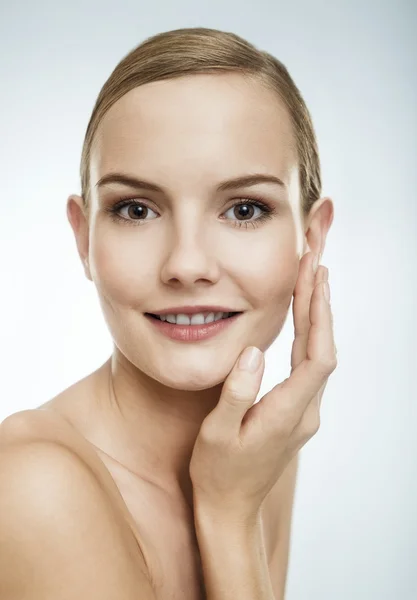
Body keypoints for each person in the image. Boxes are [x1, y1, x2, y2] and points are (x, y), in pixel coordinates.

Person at [0, 27, 336, 600]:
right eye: (136, 209)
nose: (186, 263)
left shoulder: (257, 452)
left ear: (311, 237)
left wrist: (233, 499)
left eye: (245, 208)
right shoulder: (31, 489)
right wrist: (229, 518)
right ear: (83, 239)